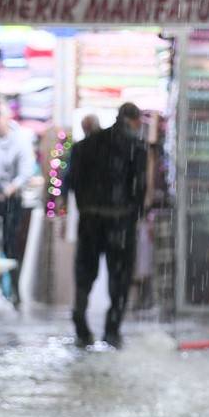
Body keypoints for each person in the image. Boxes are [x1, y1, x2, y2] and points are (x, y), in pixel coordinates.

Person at [67, 101, 147, 348]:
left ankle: (80, 322)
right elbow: (139, 188)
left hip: (90, 219)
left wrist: (85, 206)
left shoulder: (85, 146)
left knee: (85, 273)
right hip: (120, 221)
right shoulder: (136, 147)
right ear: (134, 121)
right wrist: (135, 214)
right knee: (119, 278)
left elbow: (70, 182)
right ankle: (112, 331)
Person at [0, 104, 37, 305]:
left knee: (12, 246)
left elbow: (26, 172)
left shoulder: (20, 141)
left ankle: (14, 291)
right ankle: (2, 288)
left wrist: (10, 189)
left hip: (13, 202)